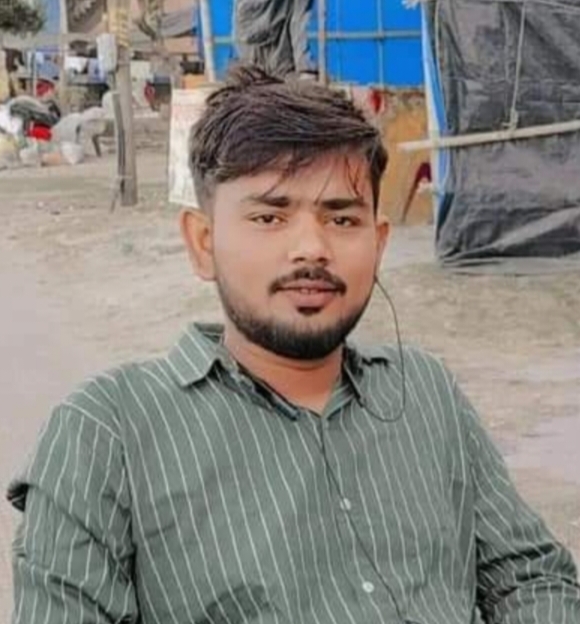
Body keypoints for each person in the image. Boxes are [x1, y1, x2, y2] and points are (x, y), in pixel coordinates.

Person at [8, 65, 580, 624]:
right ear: (203, 242)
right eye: (270, 217)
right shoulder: (108, 431)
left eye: (342, 220)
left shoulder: (427, 393)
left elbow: (533, 576)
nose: (312, 248)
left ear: (379, 242)